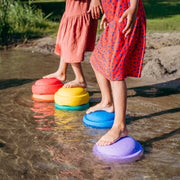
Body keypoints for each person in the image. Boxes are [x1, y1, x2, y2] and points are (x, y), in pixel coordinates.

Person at [86, 0, 146, 146]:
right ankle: (107, 102)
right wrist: (109, 13)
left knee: (115, 71)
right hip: (115, 18)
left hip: (125, 17)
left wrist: (133, 6)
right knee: (96, 59)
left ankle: (120, 126)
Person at [43, 0, 103, 88]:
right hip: (71, 8)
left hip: (80, 9)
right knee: (65, 39)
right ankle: (61, 71)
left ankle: (80, 79)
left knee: (71, 44)